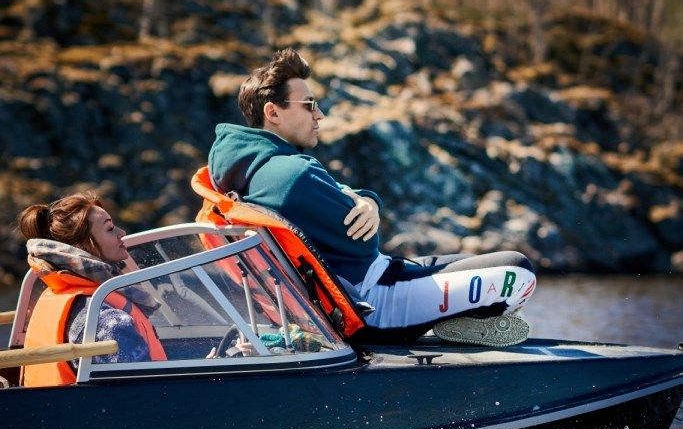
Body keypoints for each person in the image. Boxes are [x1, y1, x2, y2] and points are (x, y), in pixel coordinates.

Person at [208, 48, 536, 345]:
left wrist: (366, 200)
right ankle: (460, 320)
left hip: (365, 286)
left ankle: (458, 320)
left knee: (472, 265)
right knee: (518, 272)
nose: (319, 115)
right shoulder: (291, 176)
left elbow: (349, 208)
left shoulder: (245, 174)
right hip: (375, 304)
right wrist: (366, 203)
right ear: (273, 113)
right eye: (309, 105)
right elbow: (363, 240)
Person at [18, 193, 166, 385]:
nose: (122, 233)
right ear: (82, 246)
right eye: (110, 228)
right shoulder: (108, 320)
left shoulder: (59, 294)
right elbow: (145, 398)